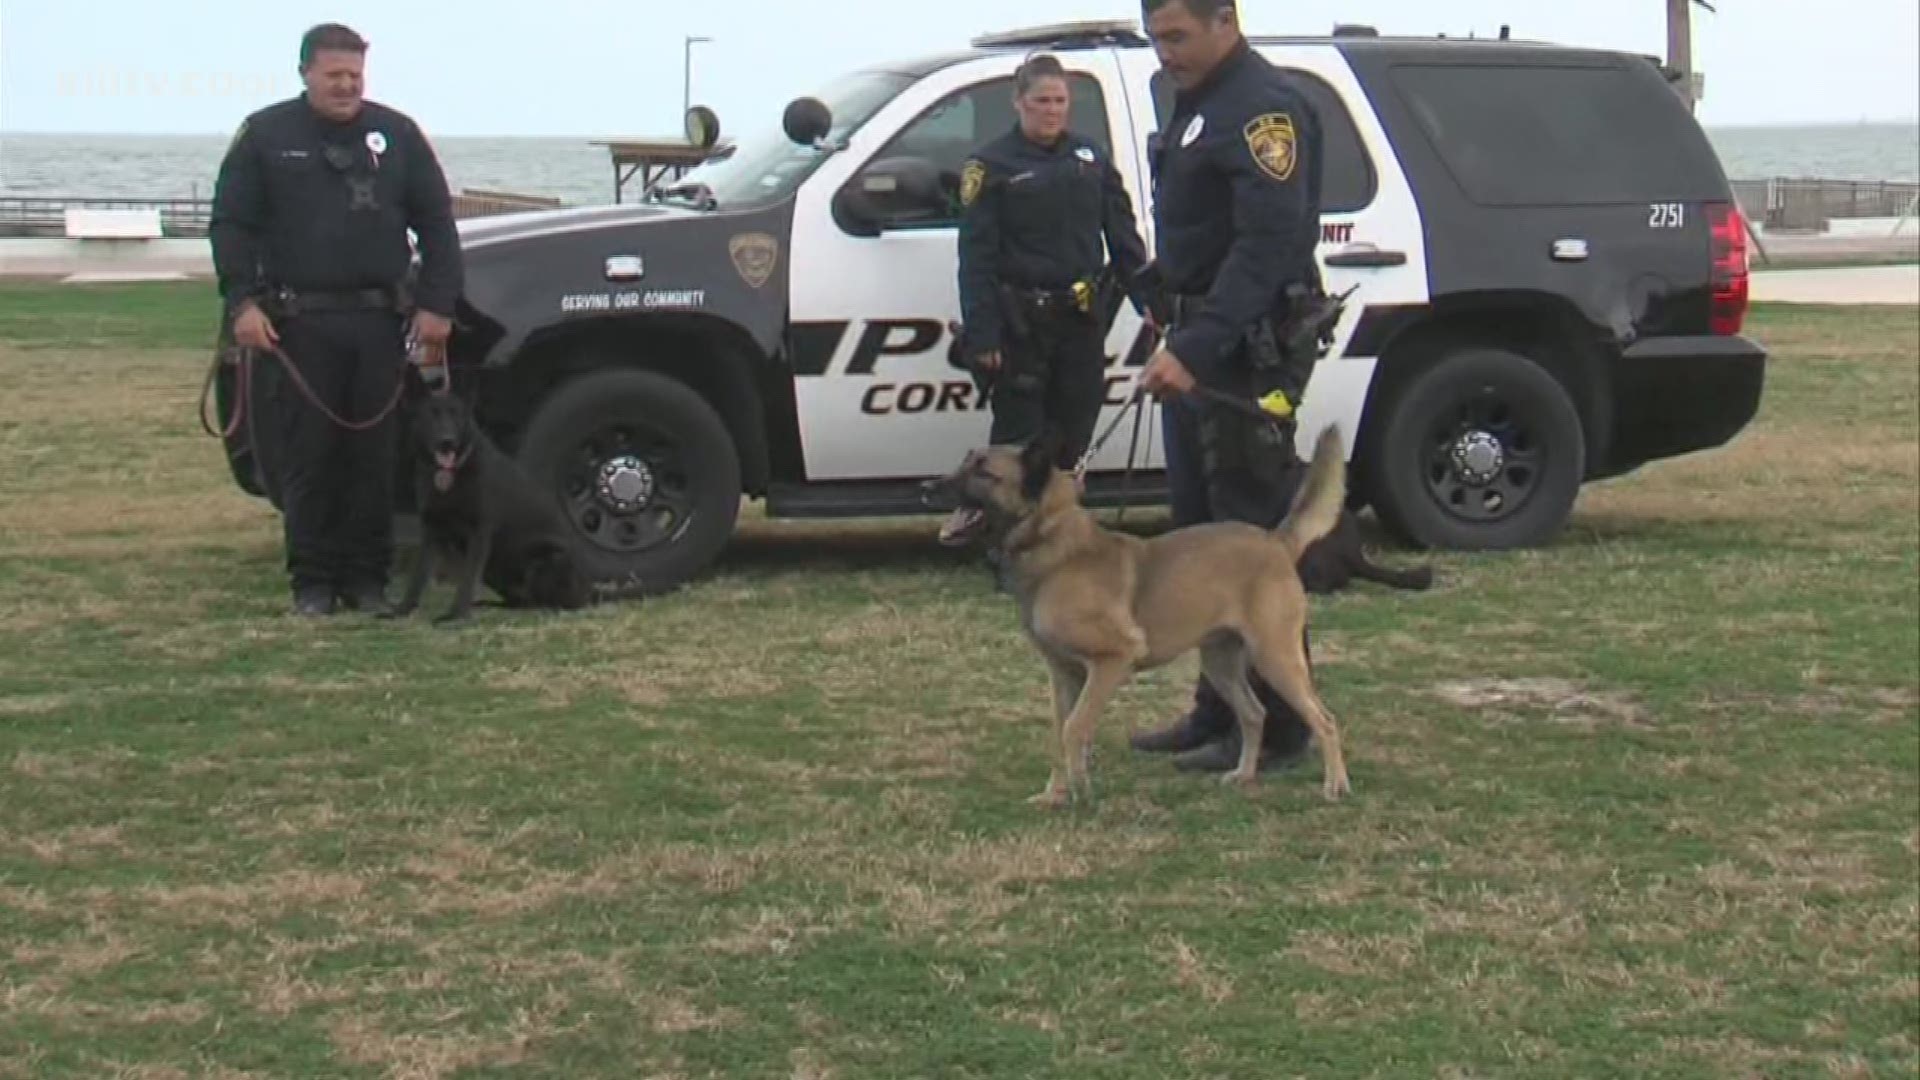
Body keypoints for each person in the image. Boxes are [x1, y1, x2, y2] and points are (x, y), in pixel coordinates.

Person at [1130, 0, 1331, 773]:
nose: (1165, 51)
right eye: (1155, 37)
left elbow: (1269, 244)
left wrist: (1202, 343)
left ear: (1226, 22)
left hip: (1242, 356)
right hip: (1198, 344)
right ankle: (1219, 711)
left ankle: (1281, 729)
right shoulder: (1196, 106)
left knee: (1249, 545)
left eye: (1177, 35)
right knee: (1198, 541)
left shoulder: (1262, 109)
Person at [209, 23, 463, 617]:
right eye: (334, 75)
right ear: (306, 73)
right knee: (310, 456)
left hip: (379, 325)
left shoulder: (396, 135)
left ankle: (367, 579)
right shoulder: (266, 135)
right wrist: (241, 303)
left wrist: (437, 304)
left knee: (373, 457)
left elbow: (436, 223)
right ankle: (314, 583)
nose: (346, 86)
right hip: (298, 326)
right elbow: (232, 226)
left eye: (355, 75)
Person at [941, 53, 1156, 546]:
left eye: (1060, 101)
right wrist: (984, 334)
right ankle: (1003, 541)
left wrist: (1153, 307)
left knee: (1072, 433)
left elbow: (1124, 241)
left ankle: (1061, 538)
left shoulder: (1089, 157)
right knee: (1018, 440)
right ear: (1019, 103)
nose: (1052, 111)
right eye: (1042, 101)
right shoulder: (990, 166)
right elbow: (976, 258)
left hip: (1079, 321)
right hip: (1021, 326)